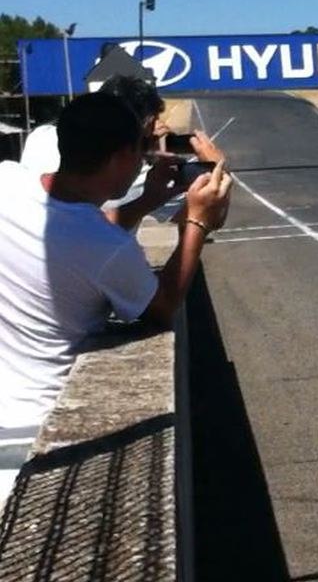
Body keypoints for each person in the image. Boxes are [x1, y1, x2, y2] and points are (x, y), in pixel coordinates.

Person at [0, 91, 231, 436]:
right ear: (123, 155)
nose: (144, 160)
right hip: (47, 415)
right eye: (142, 149)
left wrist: (148, 200)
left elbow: (73, 228)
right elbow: (163, 306)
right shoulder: (109, 248)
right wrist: (197, 221)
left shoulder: (8, 180)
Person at [18, 75, 223, 230]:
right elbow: (203, 215)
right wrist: (218, 171)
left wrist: (142, 146)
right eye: (152, 123)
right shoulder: (137, 172)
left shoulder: (40, 136)